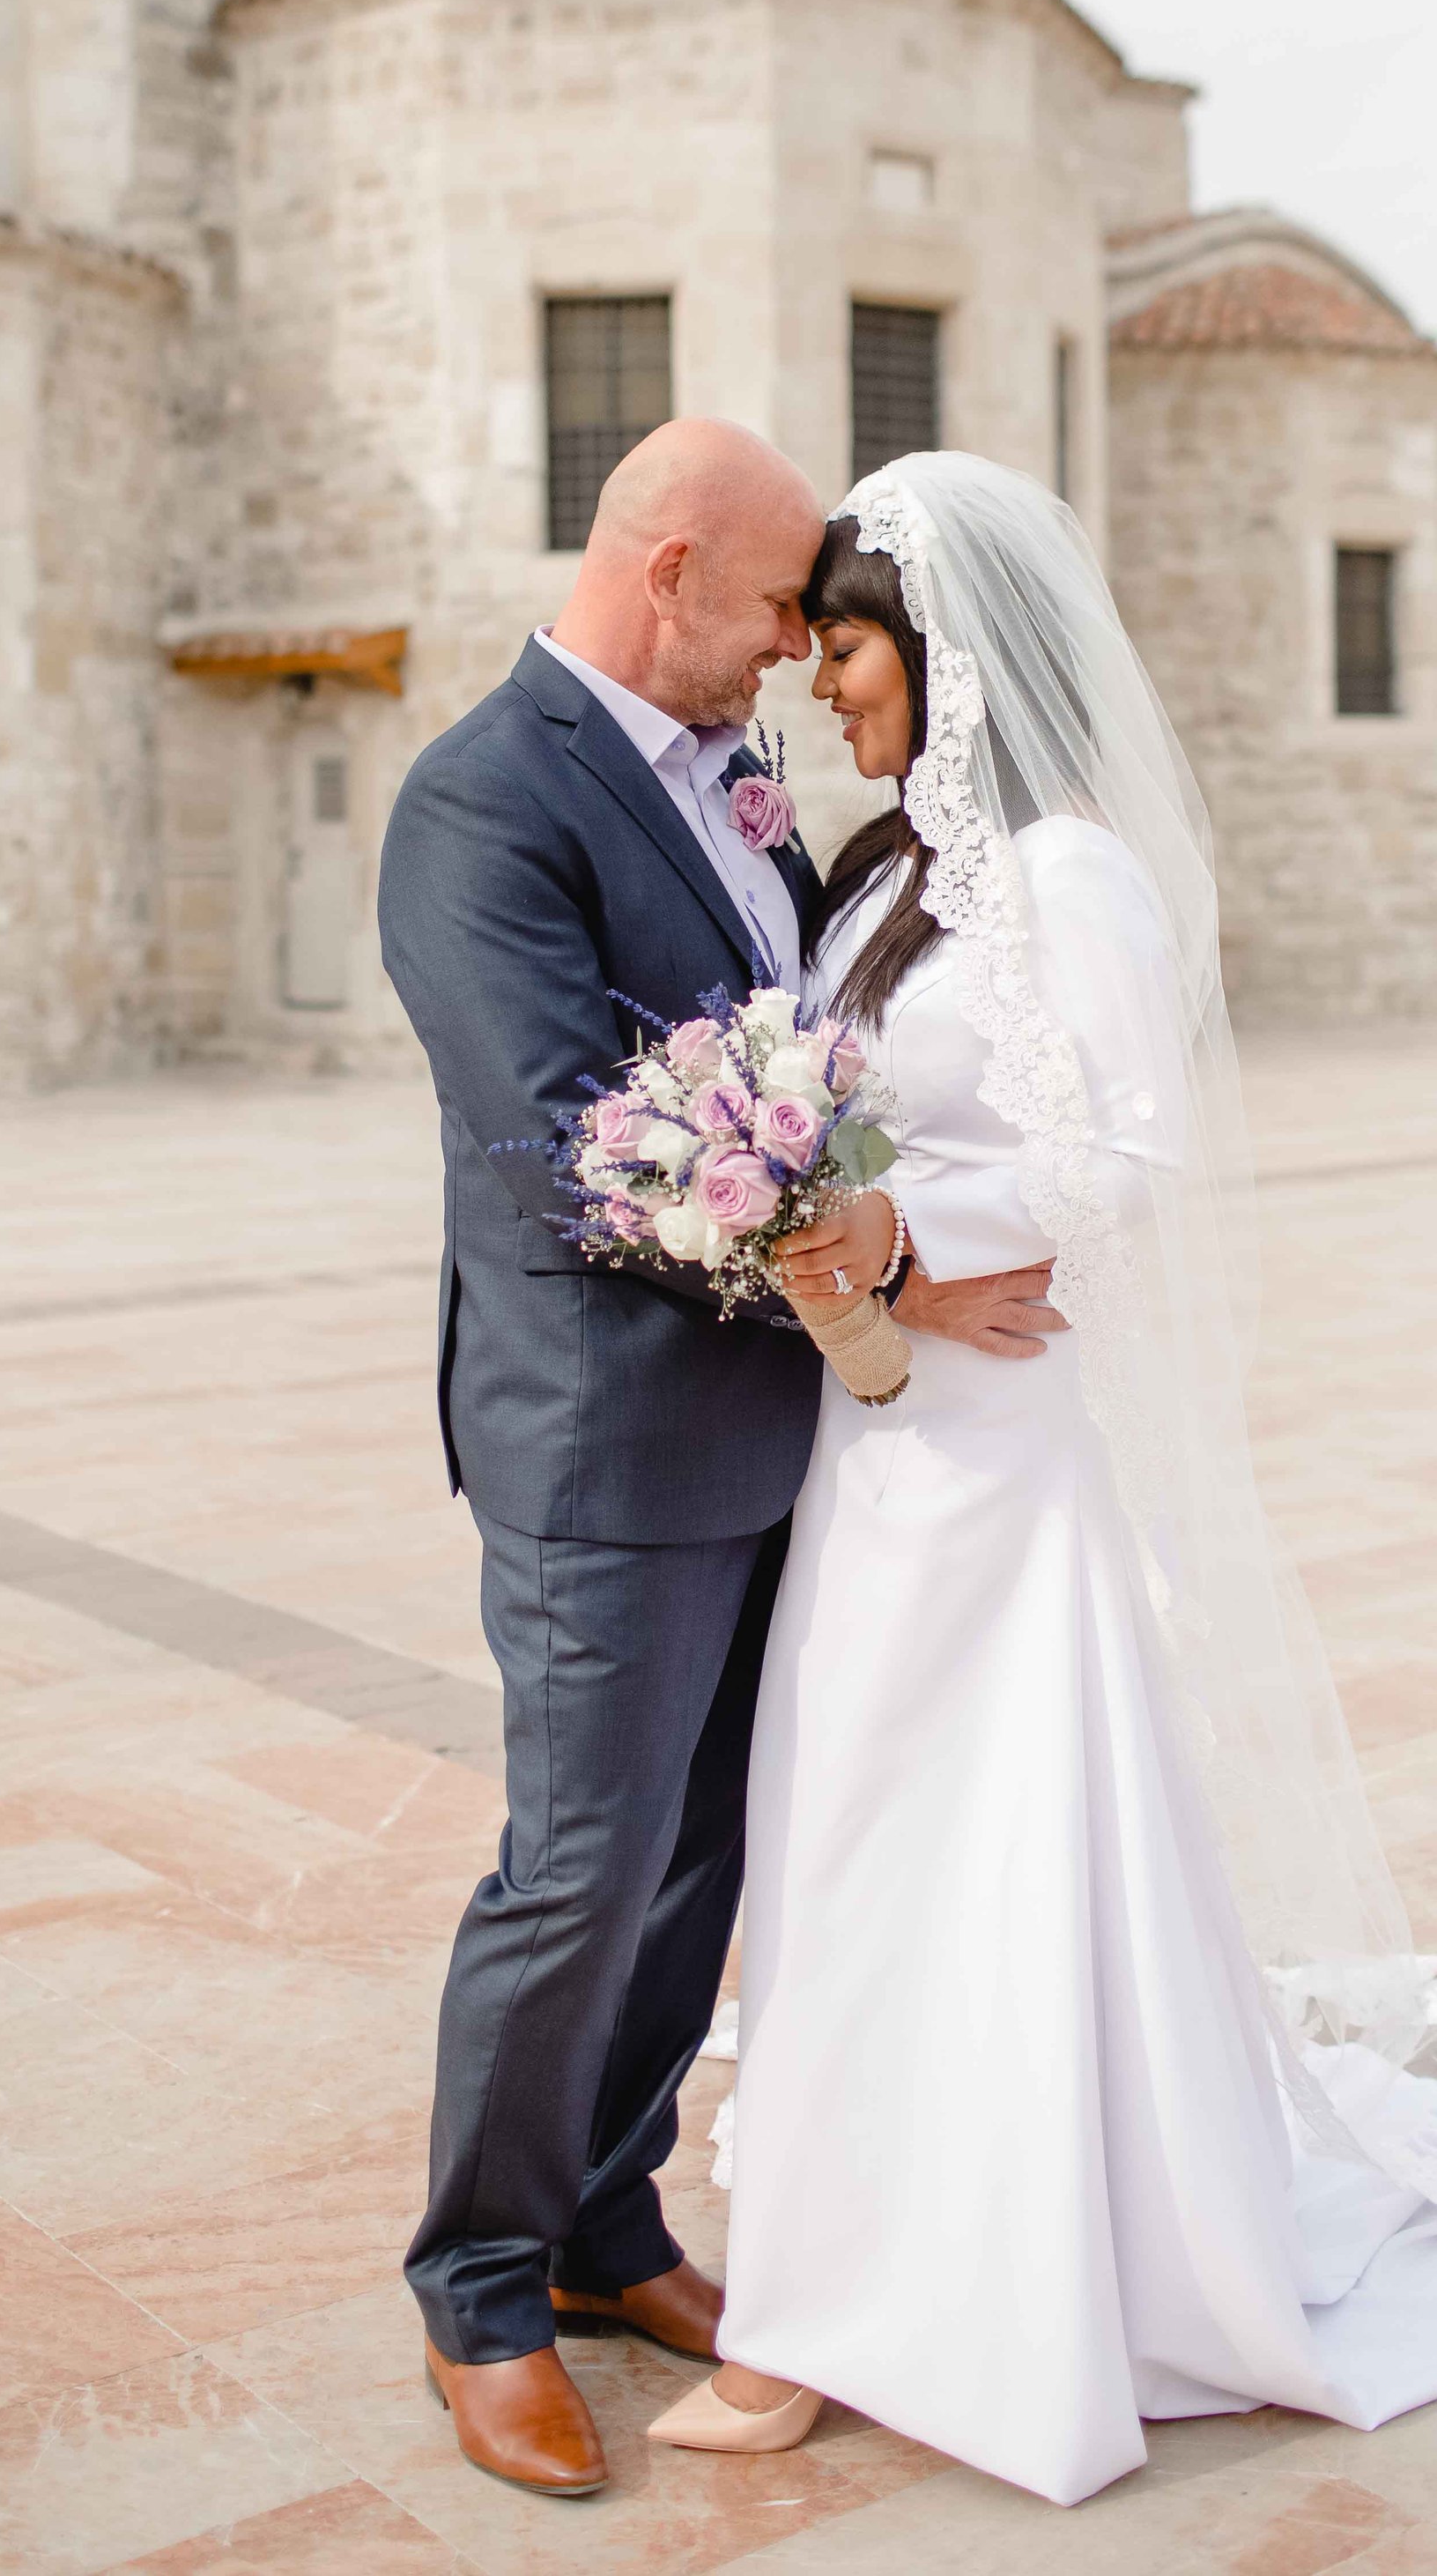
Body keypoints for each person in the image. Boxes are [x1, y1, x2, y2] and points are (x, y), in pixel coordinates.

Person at [648, 451, 1437, 2508]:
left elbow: (1131, 1168)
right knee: (841, 1838)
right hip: (871, 1441)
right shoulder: (887, 877)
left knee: (964, 1844)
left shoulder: (1072, 879)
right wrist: (819, 1227)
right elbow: (854, 1126)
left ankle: (949, 2295)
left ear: (949, 655)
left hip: (999, 1449)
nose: (829, 687)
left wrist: (917, 1247)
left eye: (858, 647)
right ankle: (831, 2271)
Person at [377, 419, 1063, 2498]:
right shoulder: (480, 800)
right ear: (667, 570)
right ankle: (479, 2285)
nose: (792, 650)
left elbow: (798, 1067)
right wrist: (872, 1286)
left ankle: (601, 2223)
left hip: (780, 1441)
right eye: (773, 605)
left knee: (702, 1861)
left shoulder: (736, 791)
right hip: (600, 1437)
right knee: (579, 1868)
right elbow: (571, 1146)